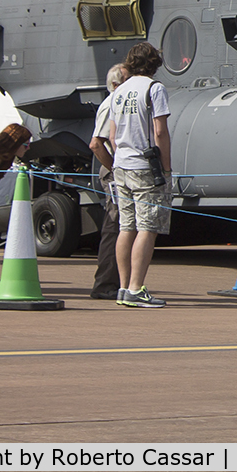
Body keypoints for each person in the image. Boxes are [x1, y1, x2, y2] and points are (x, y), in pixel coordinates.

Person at [110, 42, 173, 307]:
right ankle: (136, 288)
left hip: (121, 165)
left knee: (126, 226)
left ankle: (124, 287)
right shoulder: (154, 88)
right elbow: (160, 131)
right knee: (148, 227)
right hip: (145, 166)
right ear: (154, 63)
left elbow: (113, 135)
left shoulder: (119, 90)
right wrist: (167, 168)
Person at [87, 64, 128, 300]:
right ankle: (104, 283)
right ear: (115, 85)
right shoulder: (110, 104)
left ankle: (114, 281)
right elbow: (96, 143)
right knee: (114, 226)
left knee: (119, 226)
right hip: (113, 172)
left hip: (116, 170)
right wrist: (114, 168)